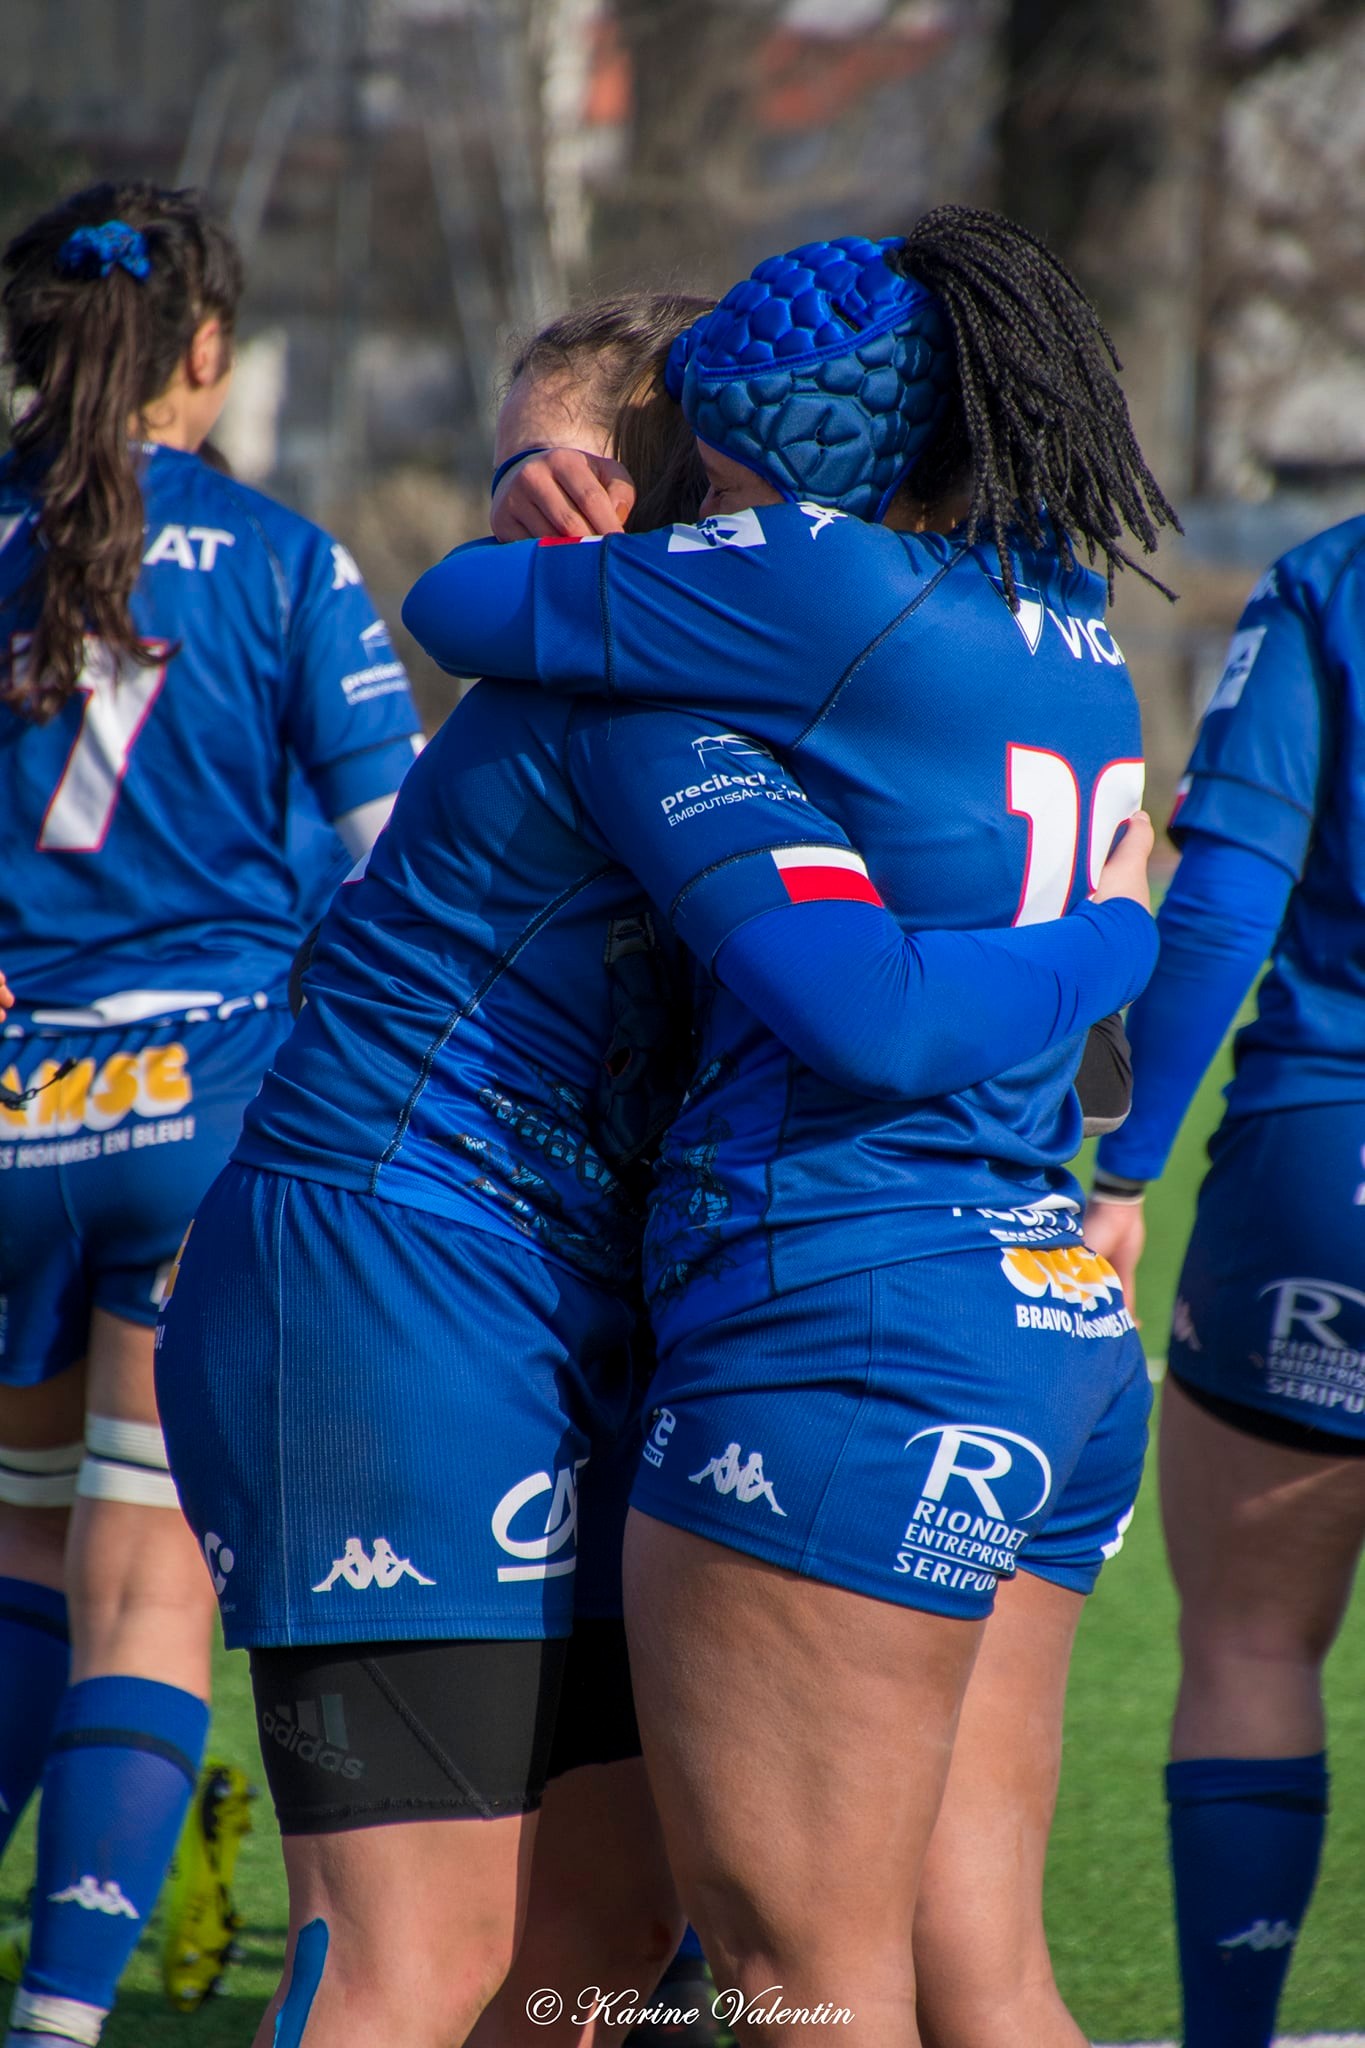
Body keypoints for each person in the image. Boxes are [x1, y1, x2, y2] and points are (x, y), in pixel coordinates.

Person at [156, 278, 1156, 2048]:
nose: (534, 515)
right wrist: (1114, 931)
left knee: (602, 1940)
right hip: (401, 1267)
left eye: (557, 470)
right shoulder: (639, 699)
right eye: (515, 478)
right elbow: (876, 1009)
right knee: (422, 1953)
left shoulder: (748, 671)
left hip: (590, 1296)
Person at [0, 182, 421, 2048]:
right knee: (144, 1590)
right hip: (195, 1111)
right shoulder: (282, 559)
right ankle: (62, 2017)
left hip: (11, 1113)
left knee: (18, 1559)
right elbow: (399, 863)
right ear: (207, 351)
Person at [1085, 514, 1365, 2048]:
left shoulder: (1331, 582)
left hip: (1326, 1169)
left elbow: (1217, 906)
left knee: (1253, 1641)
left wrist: (1118, 1173)